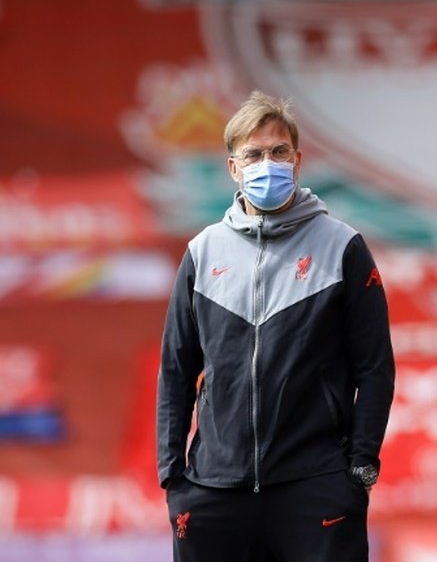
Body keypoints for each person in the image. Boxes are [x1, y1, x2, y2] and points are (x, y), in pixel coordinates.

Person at [156, 90, 395, 561]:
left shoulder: (343, 247)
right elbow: (176, 371)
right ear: (233, 168)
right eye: (254, 154)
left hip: (316, 487)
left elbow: (376, 368)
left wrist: (360, 469)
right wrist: (172, 477)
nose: (268, 163)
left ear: (298, 160)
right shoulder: (202, 254)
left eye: (279, 151)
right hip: (213, 489)